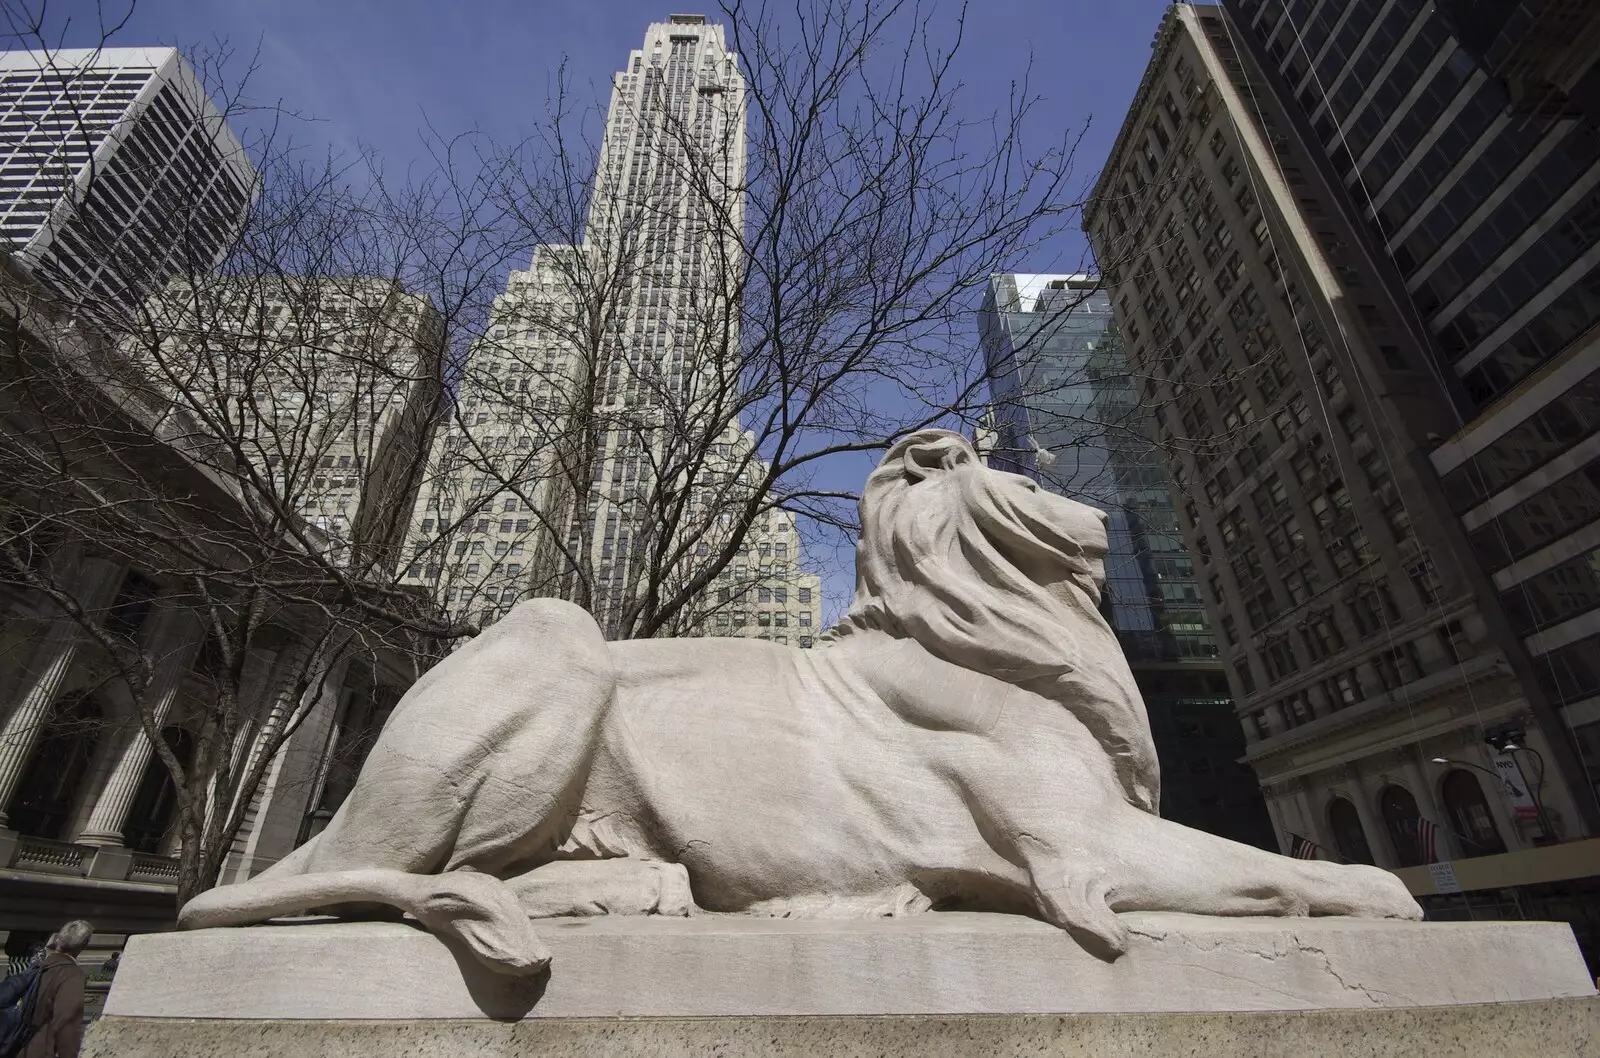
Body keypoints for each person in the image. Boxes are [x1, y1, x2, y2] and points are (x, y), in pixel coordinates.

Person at [21, 920, 92, 1058]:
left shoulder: (38, 968)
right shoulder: (71, 975)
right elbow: (67, 1023)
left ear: (58, 939)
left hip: (17, 1048)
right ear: (84, 945)